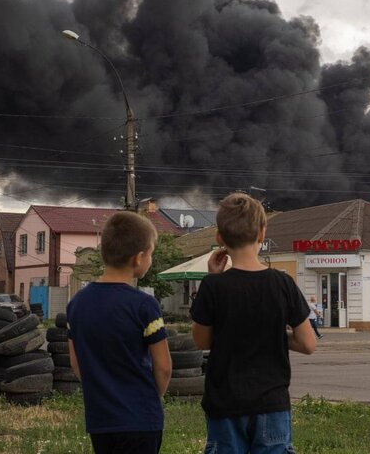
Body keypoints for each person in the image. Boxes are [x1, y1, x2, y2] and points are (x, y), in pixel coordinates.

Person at [191, 193, 316, 453]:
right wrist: (269, 333)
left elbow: (202, 340)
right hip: (271, 405)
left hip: (225, 406)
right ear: (262, 233)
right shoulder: (283, 283)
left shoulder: (213, 286)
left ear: (219, 238)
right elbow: (307, 343)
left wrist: (214, 277)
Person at [67, 212, 172, 454]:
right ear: (139, 258)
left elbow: (76, 363)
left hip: (101, 419)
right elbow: (164, 367)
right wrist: (150, 399)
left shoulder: (77, 304)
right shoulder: (145, 306)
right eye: (152, 253)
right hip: (141, 419)